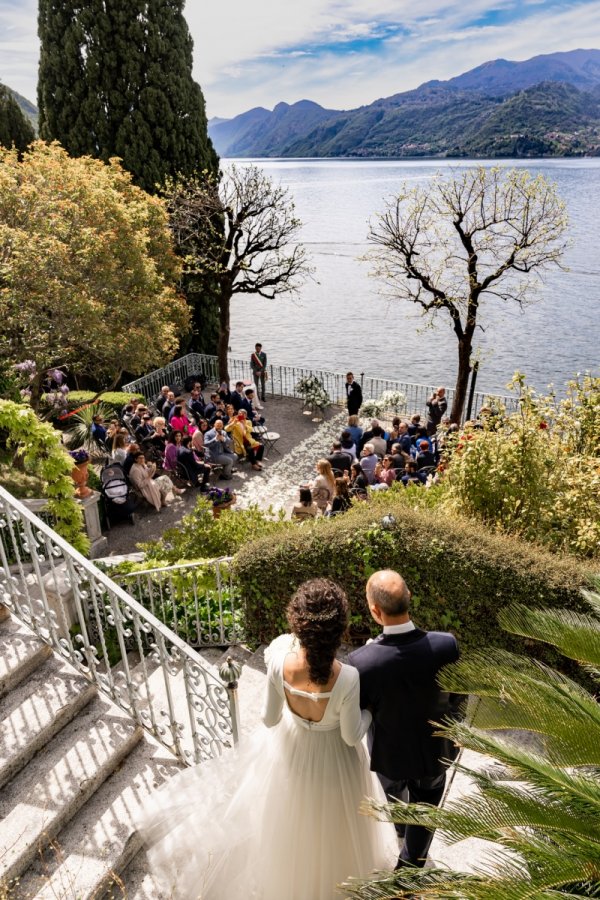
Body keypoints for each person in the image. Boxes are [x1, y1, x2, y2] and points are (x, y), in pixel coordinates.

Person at [137, 579, 396, 898]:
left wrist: (300, 712)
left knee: (292, 827)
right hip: (336, 763)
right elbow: (350, 733)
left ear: (298, 625)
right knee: (337, 829)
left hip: (294, 753)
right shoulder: (348, 677)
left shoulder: (278, 665)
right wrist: (369, 712)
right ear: (340, 630)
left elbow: (270, 719)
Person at [348, 570, 461, 870]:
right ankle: (410, 864)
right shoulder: (446, 645)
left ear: (375, 610)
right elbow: (459, 697)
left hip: (389, 757)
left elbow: (360, 711)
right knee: (426, 804)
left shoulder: (362, 662)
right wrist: (455, 735)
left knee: (394, 799)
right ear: (409, 598)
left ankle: (401, 837)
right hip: (433, 753)